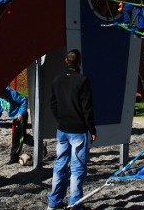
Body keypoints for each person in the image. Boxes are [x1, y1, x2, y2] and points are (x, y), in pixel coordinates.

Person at [47, 49, 96, 210]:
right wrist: (92, 129)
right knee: (77, 168)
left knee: (59, 164)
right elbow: (87, 108)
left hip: (62, 129)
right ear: (79, 63)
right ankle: (75, 204)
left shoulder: (57, 80)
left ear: (66, 61)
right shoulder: (82, 81)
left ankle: (54, 201)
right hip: (78, 130)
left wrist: (60, 119)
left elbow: (53, 104)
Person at [0, 86, 29, 164]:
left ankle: (14, 158)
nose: (1, 97)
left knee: (16, 138)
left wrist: (21, 113)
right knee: (22, 136)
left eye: (2, 94)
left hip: (21, 116)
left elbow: (24, 100)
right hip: (15, 117)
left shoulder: (13, 94)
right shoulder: (0, 99)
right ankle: (39, 144)